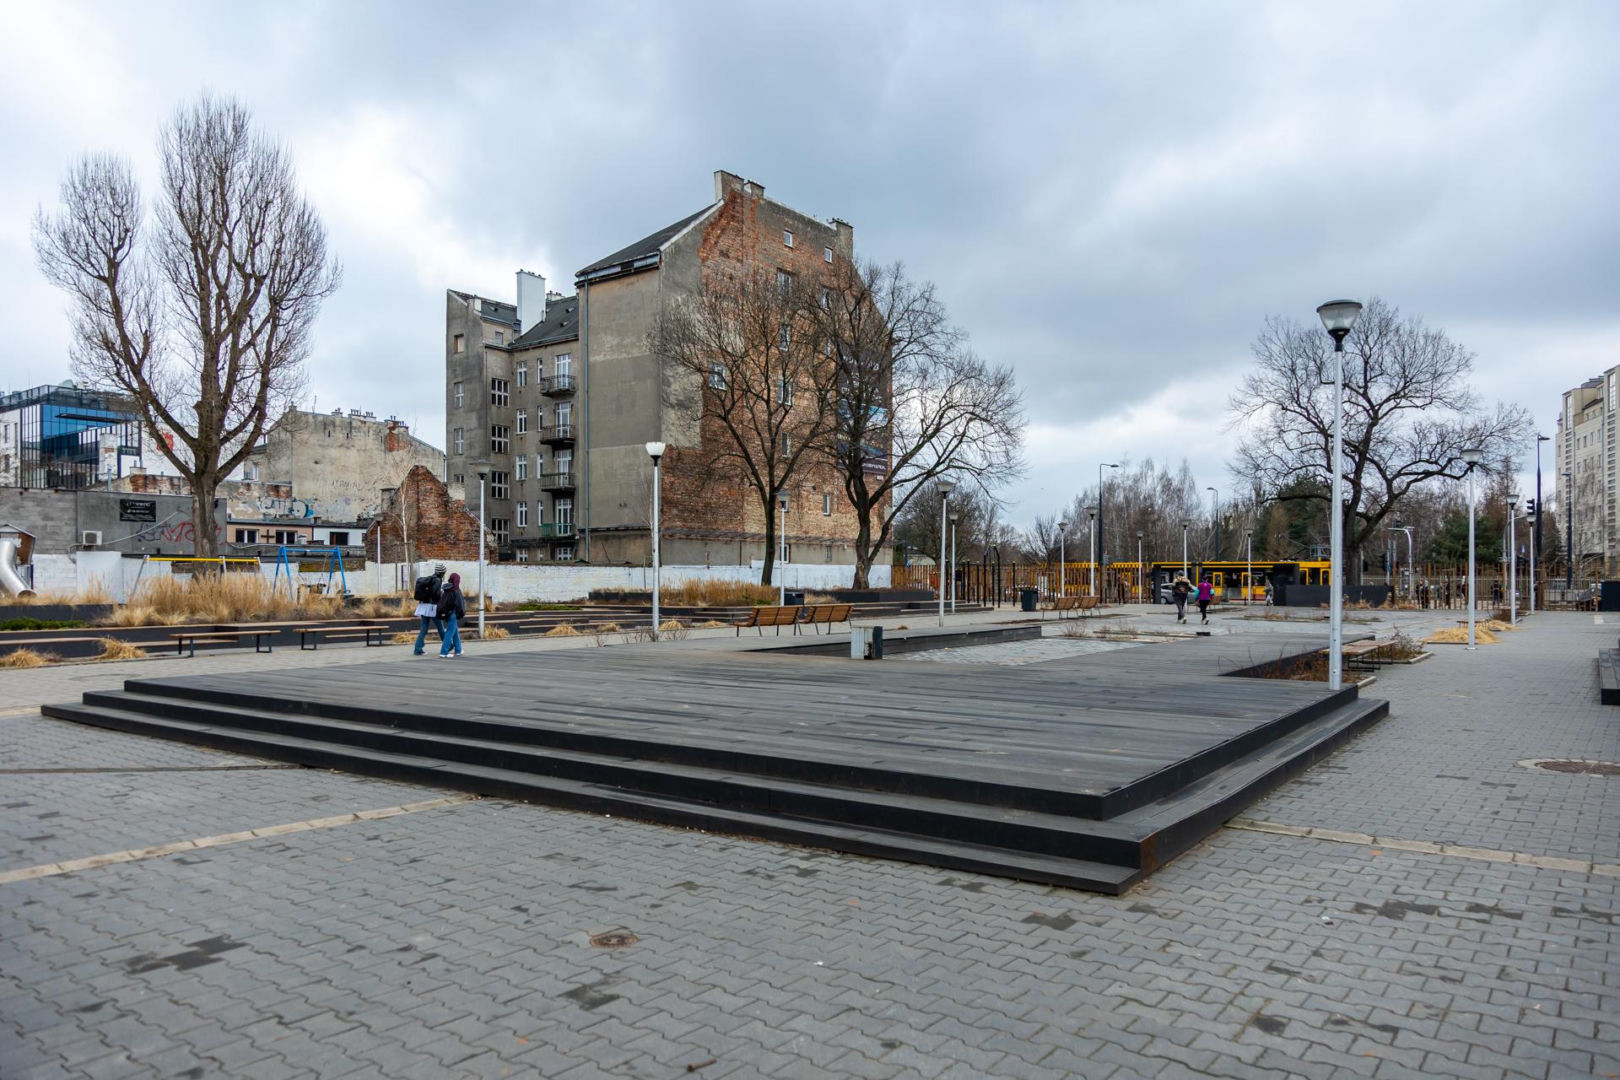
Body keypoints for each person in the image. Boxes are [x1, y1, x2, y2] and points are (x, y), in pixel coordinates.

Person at [412, 563, 447, 656]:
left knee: (423, 628)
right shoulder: (437, 580)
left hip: (423, 606)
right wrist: (441, 595)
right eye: (444, 572)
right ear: (442, 572)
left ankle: (418, 649)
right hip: (432, 607)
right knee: (440, 628)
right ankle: (448, 645)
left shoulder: (429, 579)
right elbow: (435, 594)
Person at [437, 572, 466, 658]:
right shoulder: (456, 590)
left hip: (447, 613)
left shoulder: (446, 588)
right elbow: (460, 604)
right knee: (449, 632)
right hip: (453, 613)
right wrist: (461, 613)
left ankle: (458, 649)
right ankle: (444, 652)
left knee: (455, 631)